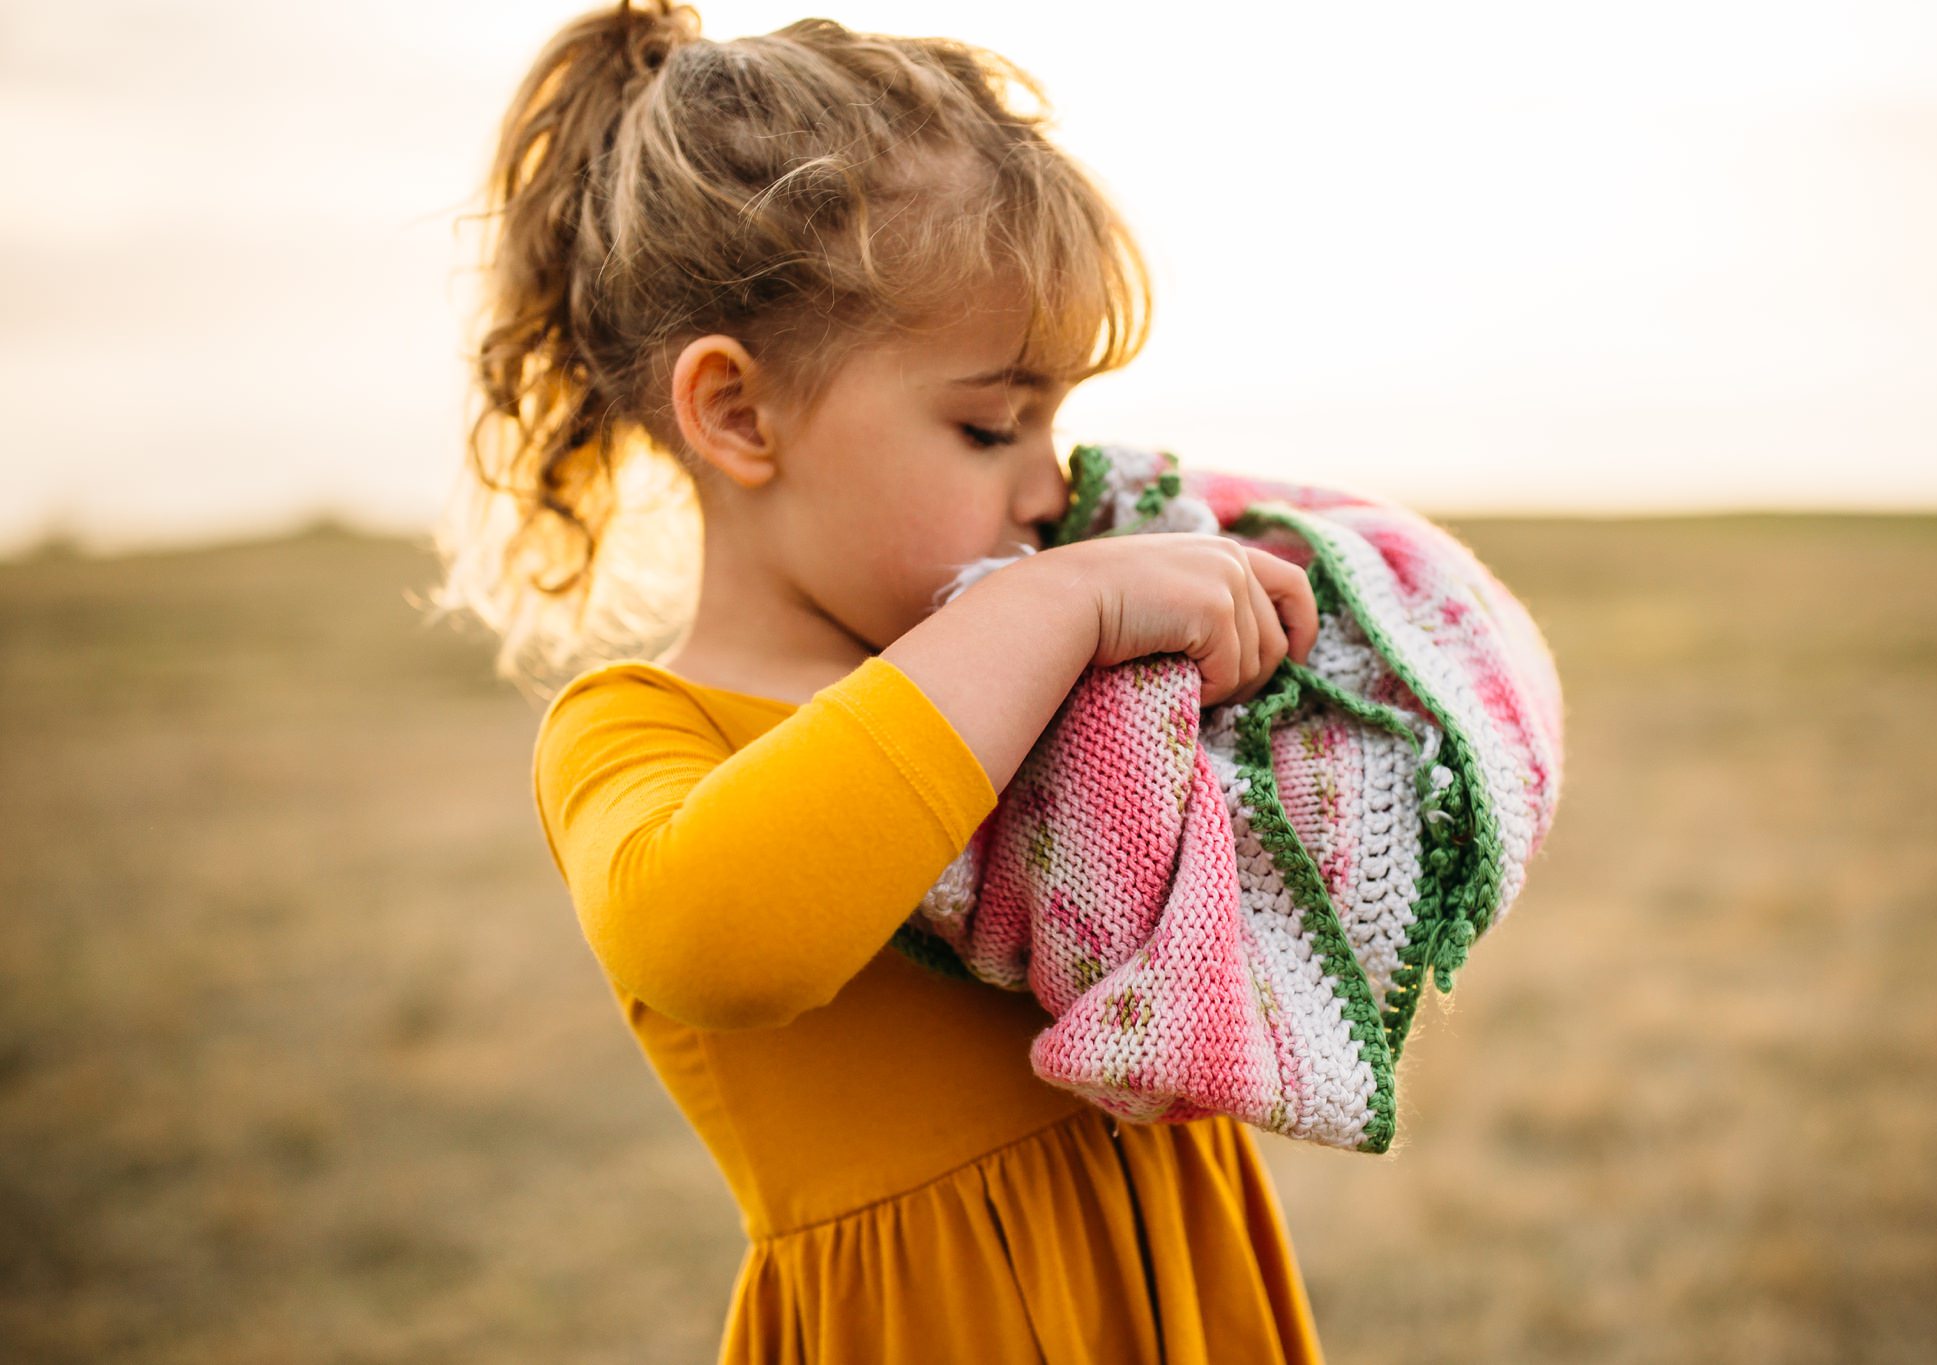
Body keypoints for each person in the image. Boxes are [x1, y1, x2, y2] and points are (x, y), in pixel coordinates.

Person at [429, 3, 1329, 1360]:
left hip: (1181, 1293)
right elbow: (720, 936)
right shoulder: (638, 730)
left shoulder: (1037, 678)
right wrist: (1064, 597)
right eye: (988, 424)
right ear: (737, 412)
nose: (1051, 483)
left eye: (1056, 420)